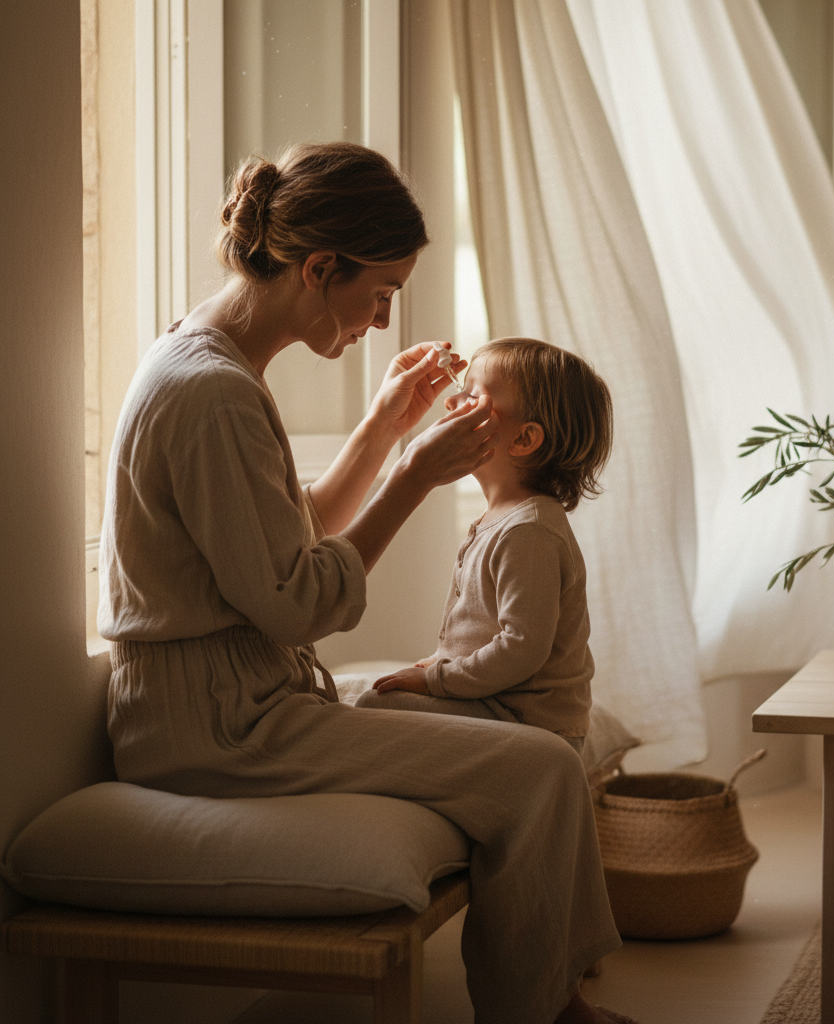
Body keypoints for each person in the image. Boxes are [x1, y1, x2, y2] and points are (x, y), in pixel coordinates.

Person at [99, 141, 635, 1024]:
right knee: (542, 766)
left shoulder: (210, 357)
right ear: (319, 268)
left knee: (433, 712)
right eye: (379, 293)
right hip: (217, 730)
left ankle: (550, 994)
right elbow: (301, 602)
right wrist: (414, 479)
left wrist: (386, 428)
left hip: (239, 701)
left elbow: (291, 531)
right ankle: (543, 1014)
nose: (383, 320)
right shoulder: (212, 393)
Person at [356, 338, 613, 758]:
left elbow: (522, 646)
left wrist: (437, 680)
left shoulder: (529, 531)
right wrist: (440, 662)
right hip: (498, 705)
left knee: (374, 706)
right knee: (375, 699)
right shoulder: (504, 520)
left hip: (530, 725)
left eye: (473, 397)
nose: (452, 402)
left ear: (525, 439)